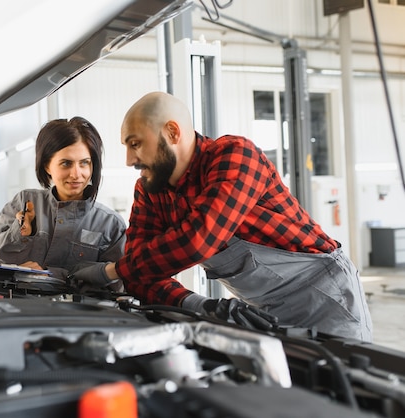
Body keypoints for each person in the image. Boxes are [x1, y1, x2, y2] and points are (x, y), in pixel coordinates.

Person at [74, 91, 373, 342]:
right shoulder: (151, 191)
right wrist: (201, 304)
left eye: (135, 143)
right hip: (261, 311)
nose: (129, 160)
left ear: (172, 132)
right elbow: (141, 277)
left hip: (325, 298)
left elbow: (197, 241)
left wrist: (111, 271)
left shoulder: (234, 155)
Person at [0, 116, 126, 285]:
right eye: (66, 163)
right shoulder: (24, 203)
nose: (76, 174)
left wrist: (48, 275)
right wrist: (21, 233)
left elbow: (117, 286)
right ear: (47, 166)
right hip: (23, 309)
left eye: (84, 163)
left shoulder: (110, 225)